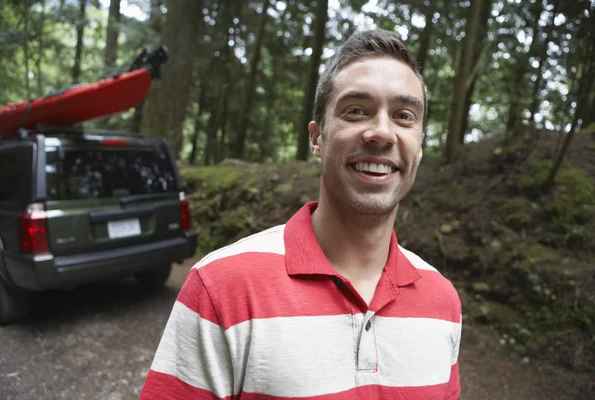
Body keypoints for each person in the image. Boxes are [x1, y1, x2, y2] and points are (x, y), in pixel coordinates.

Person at [138, 28, 462, 400]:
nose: (381, 133)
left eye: (404, 116)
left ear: (419, 148)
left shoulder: (444, 302)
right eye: (356, 110)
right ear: (317, 138)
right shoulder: (221, 288)